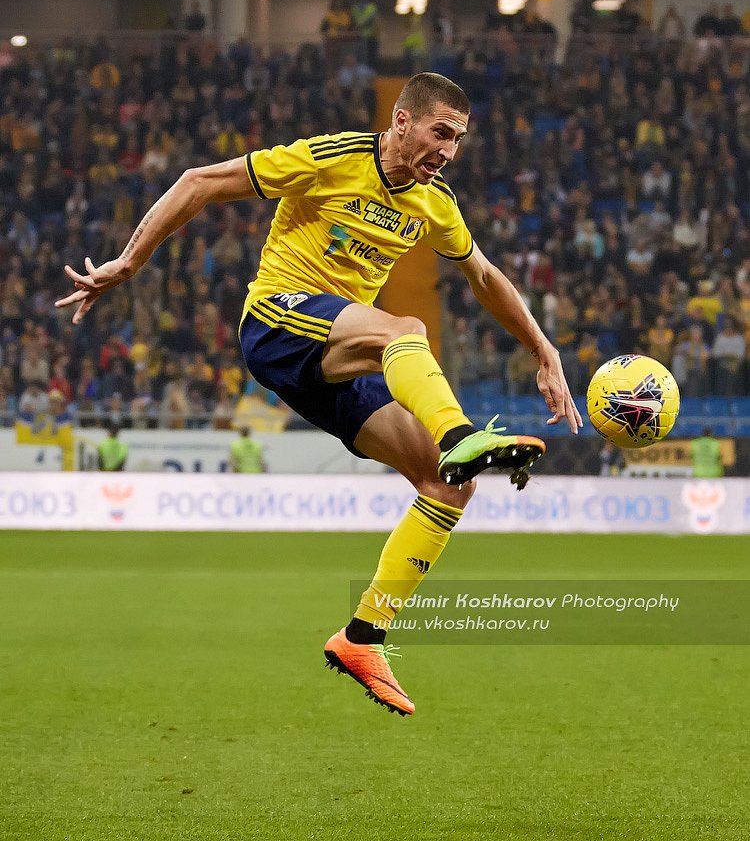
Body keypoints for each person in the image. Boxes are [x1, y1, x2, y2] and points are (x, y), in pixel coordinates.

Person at [56, 72, 581, 717]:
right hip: (277, 323)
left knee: (449, 485)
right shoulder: (330, 158)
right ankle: (459, 435)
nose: (448, 150)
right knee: (406, 331)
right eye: (440, 132)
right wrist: (128, 264)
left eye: (459, 140)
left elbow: (483, 275)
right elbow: (199, 182)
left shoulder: (434, 204)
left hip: (337, 353)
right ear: (401, 121)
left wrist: (543, 348)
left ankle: (363, 637)